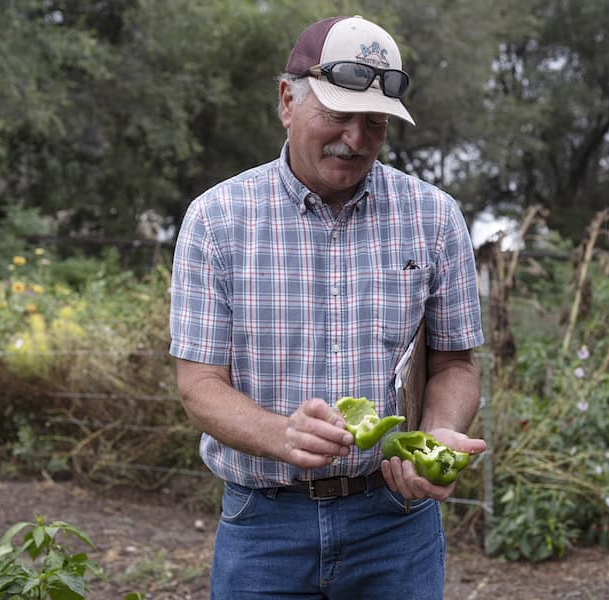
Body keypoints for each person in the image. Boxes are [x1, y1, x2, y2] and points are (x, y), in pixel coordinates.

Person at [169, 14, 485, 599]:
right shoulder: (217, 220)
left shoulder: (434, 218)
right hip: (264, 525)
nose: (356, 138)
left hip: (396, 522)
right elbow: (200, 385)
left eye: (375, 122)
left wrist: (436, 441)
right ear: (287, 100)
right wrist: (279, 434)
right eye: (339, 115)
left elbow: (455, 364)